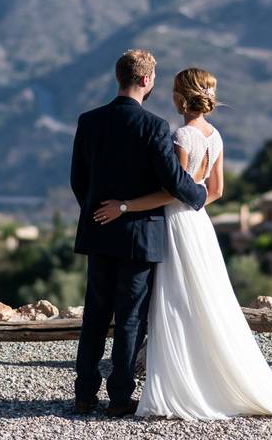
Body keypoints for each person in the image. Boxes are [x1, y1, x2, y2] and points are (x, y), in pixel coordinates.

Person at [93, 67, 272, 421]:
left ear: (179, 97)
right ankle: (206, 378)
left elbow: (170, 189)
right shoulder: (215, 136)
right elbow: (216, 190)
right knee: (205, 299)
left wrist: (125, 206)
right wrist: (192, 209)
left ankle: (180, 384)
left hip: (175, 224)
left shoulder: (180, 136)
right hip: (199, 225)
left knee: (174, 302)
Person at [70, 49, 208, 417]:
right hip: (140, 238)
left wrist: (100, 213)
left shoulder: (89, 121)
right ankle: (118, 398)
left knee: (95, 316)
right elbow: (173, 180)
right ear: (147, 80)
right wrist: (200, 193)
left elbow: (78, 181)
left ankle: (84, 395)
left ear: (120, 78)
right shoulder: (154, 126)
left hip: (99, 232)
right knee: (130, 319)